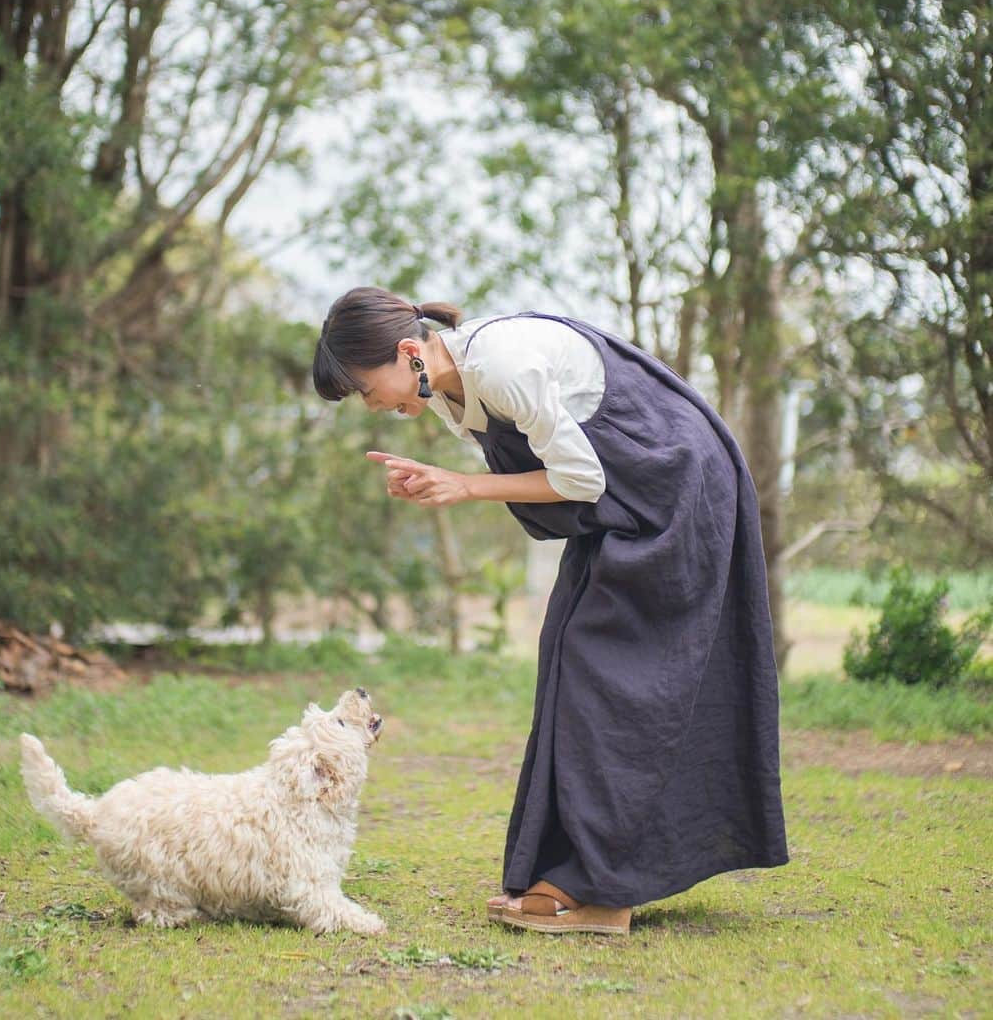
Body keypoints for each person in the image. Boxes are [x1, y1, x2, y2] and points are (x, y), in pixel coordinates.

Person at [311, 285, 789, 934]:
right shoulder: (449, 391)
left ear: (406, 353)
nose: (376, 406)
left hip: (675, 485)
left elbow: (579, 480)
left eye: (370, 390)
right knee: (568, 651)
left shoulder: (499, 365)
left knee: (609, 672)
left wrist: (464, 486)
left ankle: (601, 892)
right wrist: (439, 480)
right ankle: (568, 871)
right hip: (627, 503)